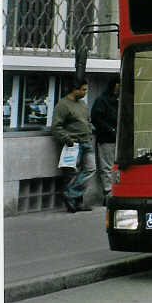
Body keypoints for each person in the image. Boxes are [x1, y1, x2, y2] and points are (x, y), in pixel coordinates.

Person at [52, 79, 95, 212]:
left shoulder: (82, 104)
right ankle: (75, 201)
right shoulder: (63, 105)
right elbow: (56, 126)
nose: (85, 92)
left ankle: (71, 194)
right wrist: (67, 139)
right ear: (74, 89)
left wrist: (90, 130)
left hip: (86, 141)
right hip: (73, 143)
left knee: (91, 169)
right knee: (72, 173)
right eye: (83, 89)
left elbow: (87, 120)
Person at [90, 76, 119, 205]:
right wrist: (110, 130)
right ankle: (108, 193)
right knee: (107, 167)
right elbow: (96, 119)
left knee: (113, 167)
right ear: (115, 85)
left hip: (116, 138)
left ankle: (114, 192)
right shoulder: (102, 100)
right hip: (107, 138)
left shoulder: (117, 99)